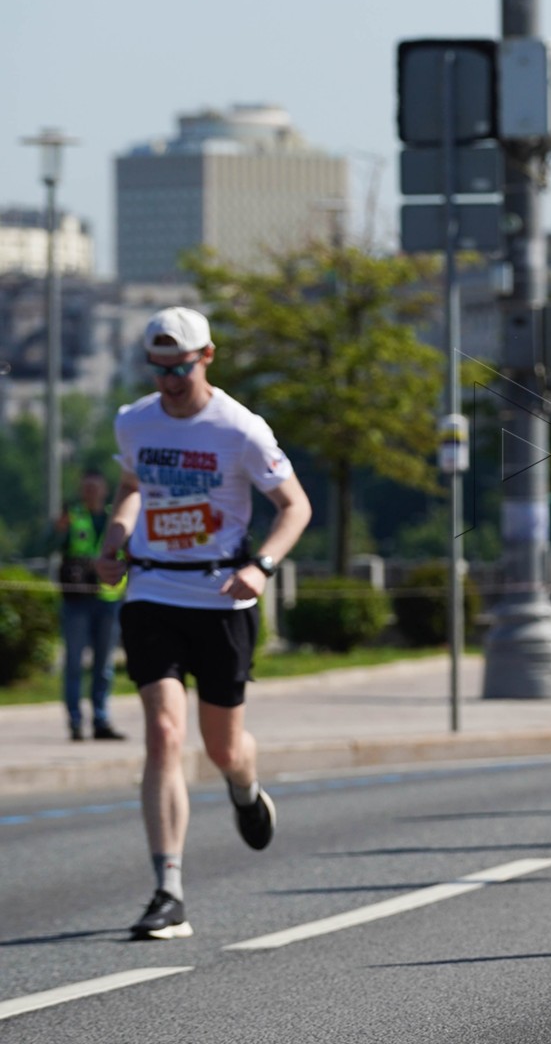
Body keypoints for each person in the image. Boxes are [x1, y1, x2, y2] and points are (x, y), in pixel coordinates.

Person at [92, 307, 311, 941]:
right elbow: (132, 485)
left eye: (179, 369)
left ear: (207, 357)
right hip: (153, 590)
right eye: (157, 369)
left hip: (221, 598)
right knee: (164, 733)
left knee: (222, 750)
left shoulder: (240, 429)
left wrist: (262, 567)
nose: (168, 382)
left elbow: (295, 506)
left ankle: (244, 785)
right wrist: (115, 538)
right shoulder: (135, 420)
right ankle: (169, 890)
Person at [53, 470, 129, 742]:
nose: (91, 493)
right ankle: (75, 721)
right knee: (74, 663)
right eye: (87, 488)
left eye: (95, 488)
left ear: (105, 491)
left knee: (104, 665)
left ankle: (101, 718)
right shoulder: (73, 516)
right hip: (77, 601)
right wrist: (59, 530)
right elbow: (48, 545)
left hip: (108, 600)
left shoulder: (117, 519)